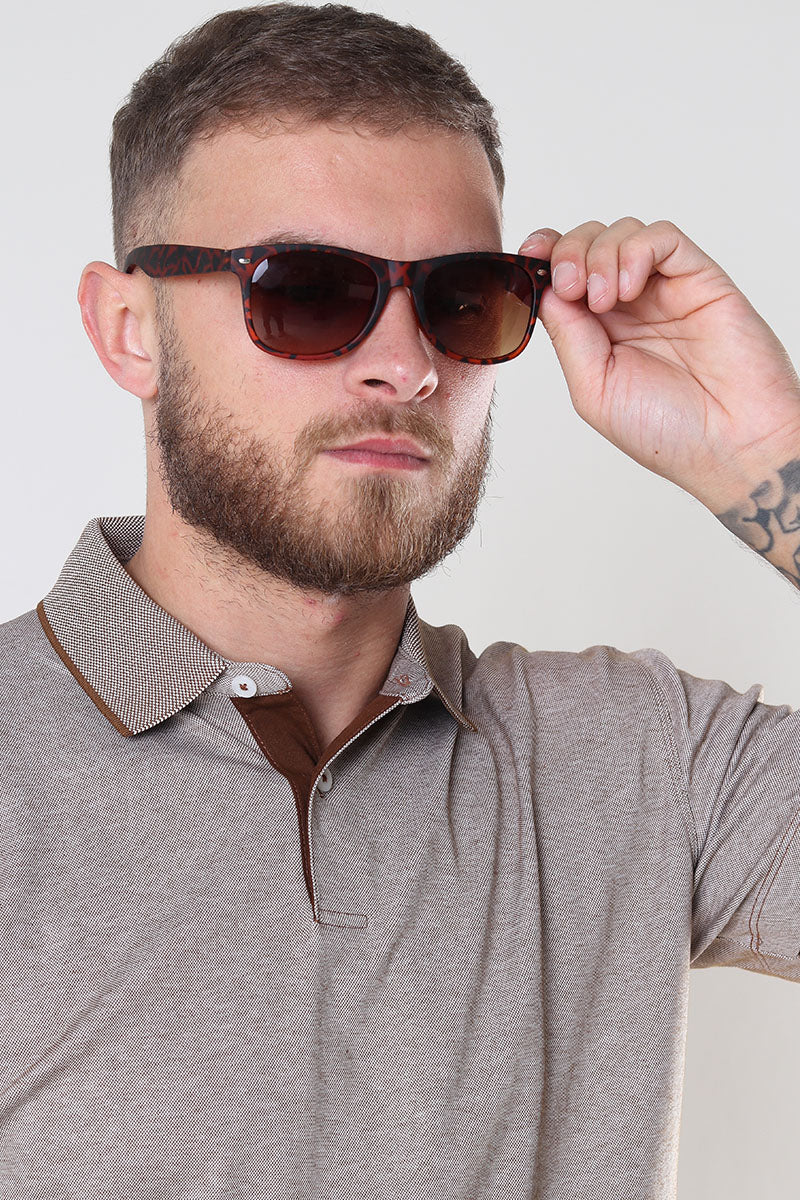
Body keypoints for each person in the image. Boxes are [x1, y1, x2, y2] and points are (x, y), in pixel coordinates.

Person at [3, 4, 799, 1197]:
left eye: (460, 297)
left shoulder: (640, 762)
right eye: (309, 292)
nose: (406, 365)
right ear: (130, 330)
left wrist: (766, 454)